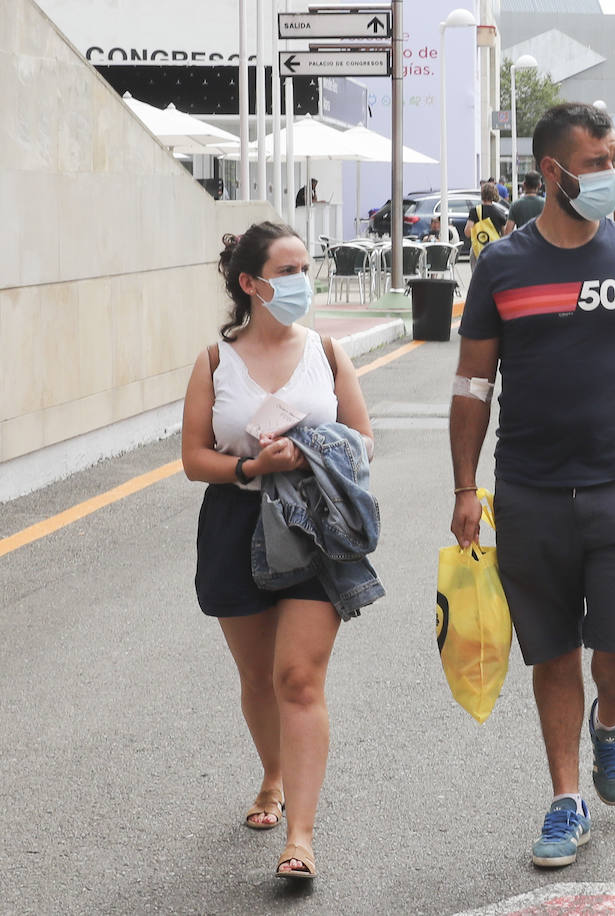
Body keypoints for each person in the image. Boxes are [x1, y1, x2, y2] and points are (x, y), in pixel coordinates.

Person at [449, 102, 615, 869]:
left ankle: (612, 720)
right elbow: (472, 383)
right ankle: (567, 799)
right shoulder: (502, 265)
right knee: (552, 652)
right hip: (527, 492)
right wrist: (466, 486)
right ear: (552, 172)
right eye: (597, 162)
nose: (611, 175)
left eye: (613, 158)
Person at [180, 222, 378, 881]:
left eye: (305, 267)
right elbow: (193, 459)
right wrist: (248, 467)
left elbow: (364, 439)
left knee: (299, 678)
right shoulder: (214, 362)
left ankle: (301, 836)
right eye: (287, 270)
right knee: (259, 678)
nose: (302, 280)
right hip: (237, 522)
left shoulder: (326, 351)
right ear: (250, 283)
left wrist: (312, 451)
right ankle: (272, 772)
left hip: (316, 522)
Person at [466, 182, 511, 259]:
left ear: (482, 194)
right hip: (494, 250)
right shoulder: (500, 213)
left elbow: (467, 232)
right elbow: (505, 236)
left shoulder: (475, 211)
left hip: (477, 250)